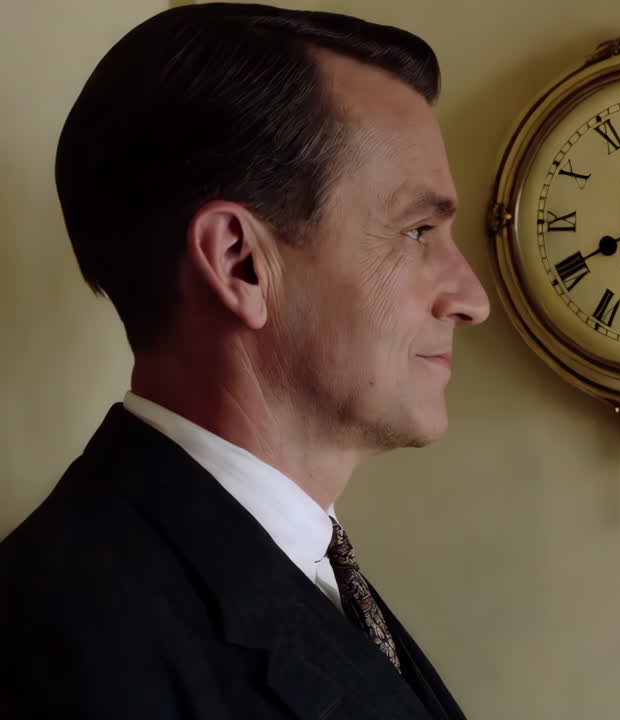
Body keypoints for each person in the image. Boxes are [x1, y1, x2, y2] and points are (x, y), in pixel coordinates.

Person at [0, 4, 489, 718]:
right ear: (240, 264)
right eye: (417, 231)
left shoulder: (293, 568)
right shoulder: (65, 644)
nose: (472, 299)